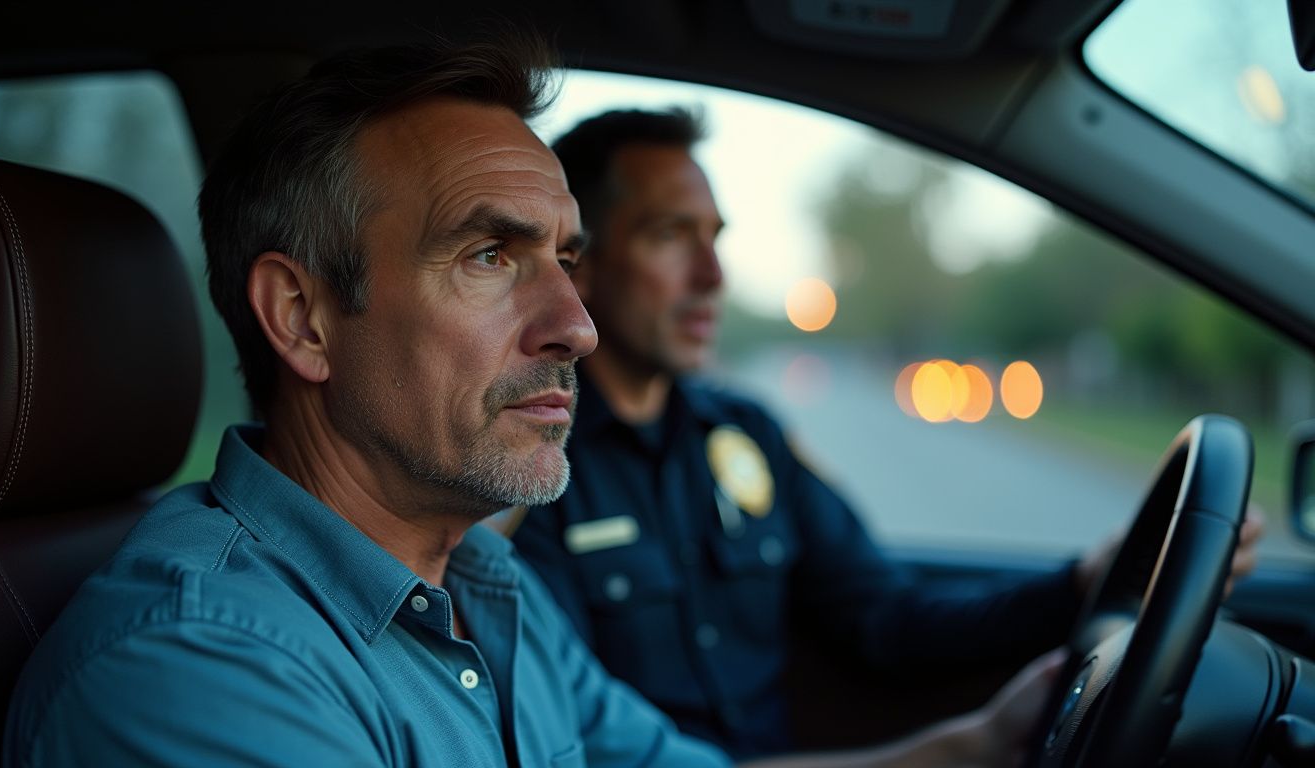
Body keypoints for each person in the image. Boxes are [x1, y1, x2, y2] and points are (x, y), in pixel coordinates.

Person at [3, 36, 1065, 768]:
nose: (577, 324)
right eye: (487, 255)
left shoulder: (488, 585)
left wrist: (978, 746)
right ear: (304, 318)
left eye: (566, 257)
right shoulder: (197, 668)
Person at [509, 107, 1264, 759]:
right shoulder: (530, 471)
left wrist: (1081, 584)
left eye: (716, 237)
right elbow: (586, 743)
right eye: (671, 235)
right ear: (581, 261)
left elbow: (889, 622)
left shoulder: (747, 438)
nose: (712, 275)